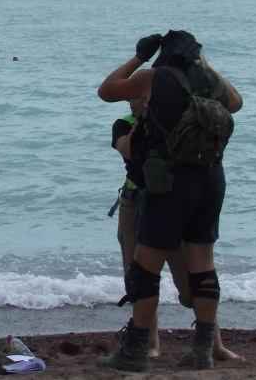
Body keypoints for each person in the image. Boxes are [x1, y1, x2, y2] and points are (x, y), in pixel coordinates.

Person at [96, 30, 243, 372]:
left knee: (144, 269)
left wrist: (139, 57)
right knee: (202, 266)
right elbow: (236, 102)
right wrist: (206, 66)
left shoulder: (153, 78)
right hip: (210, 179)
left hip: (170, 183)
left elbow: (106, 91)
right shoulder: (210, 82)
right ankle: (203, 351)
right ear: (195, 55)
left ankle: (134, 352)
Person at [111, 99, 242, 361]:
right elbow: (131, 152)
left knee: (191, 280)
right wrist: (141, 117)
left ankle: (213, 344)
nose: (145, 99)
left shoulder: (170, 121)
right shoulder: (123, 124)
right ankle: (150, 344)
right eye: (140, 95)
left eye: (149, 95)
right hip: (134, 202)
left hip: (170, 203)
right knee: (139, 279)